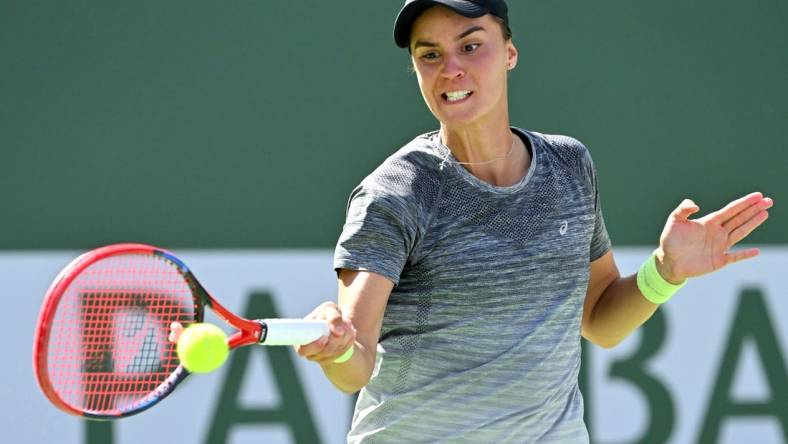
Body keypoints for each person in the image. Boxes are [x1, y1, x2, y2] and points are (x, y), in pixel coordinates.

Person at [295, 1, 774, 442]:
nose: (451, 68)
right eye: (430, 55)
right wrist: (334, 346)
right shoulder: (396, 192)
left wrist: (665, 273)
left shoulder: (569, 165)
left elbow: (600, 320)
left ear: (509, 53)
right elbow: (353, 366)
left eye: (470, 45)